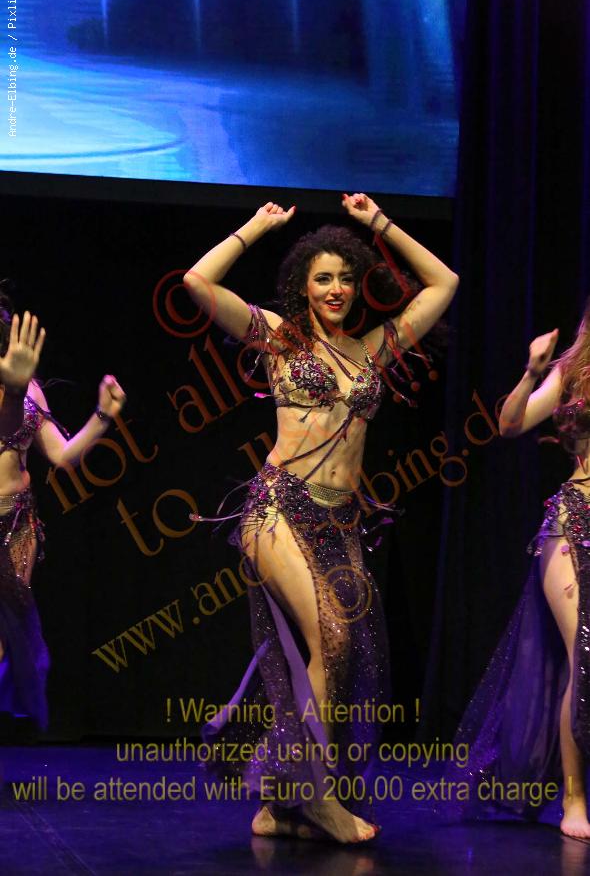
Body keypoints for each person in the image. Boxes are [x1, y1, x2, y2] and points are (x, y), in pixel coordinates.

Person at [184, 194, 458, 842]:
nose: (336, 289)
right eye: (323, 278)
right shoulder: (280, 338)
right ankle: (318, 800)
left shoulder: (372, 349)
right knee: (332, 638)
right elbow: (197, 282)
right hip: (279, 506)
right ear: (303, 287)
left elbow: (444, 282)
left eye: (346, 278)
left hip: (340, 523)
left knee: (347, 655)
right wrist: (256, 227)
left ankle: (281, 802)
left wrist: (379, 224)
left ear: (359, 287)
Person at [450, 314, 590, 839]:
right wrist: (532, 372)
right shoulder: (573, 370)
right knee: (585, 651)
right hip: (575, 519)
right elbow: (510, 424)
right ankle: (573, 799)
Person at [0, 293, 126, 733]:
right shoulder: (18, 387)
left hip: (16, 526)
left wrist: (102, 416)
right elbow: (4, 425)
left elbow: (61, 455)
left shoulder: (28, 385)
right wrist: (14, 391)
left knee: (7, 642)